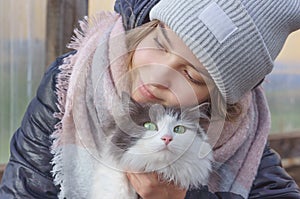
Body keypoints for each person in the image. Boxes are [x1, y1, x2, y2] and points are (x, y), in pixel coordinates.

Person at [1, 0, 300, 198]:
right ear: (148, 28)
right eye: (159, 43)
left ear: (215, 101)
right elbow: (23, 188)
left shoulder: (241, 140)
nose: (158, 75)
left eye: (192, 76)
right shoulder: (71, 83)